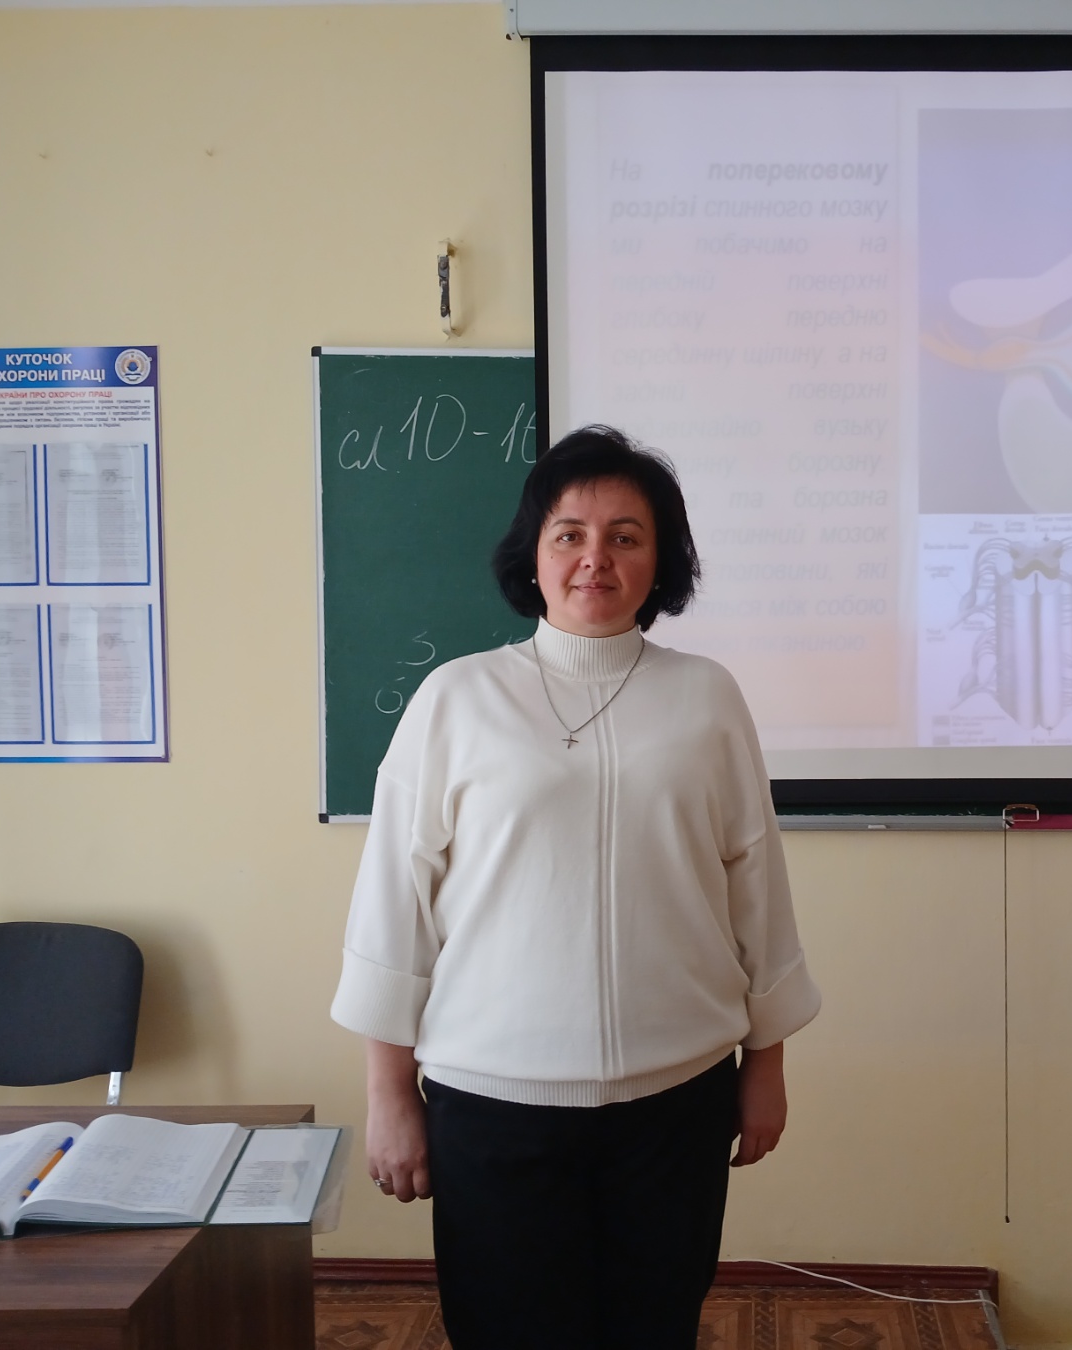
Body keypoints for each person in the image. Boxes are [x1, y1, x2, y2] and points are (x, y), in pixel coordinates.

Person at [329, 425, 820, 1350]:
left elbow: (757, 887)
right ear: (535, 552)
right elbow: (395, 904)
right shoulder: (456, 698)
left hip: (677, 1099)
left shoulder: (707, 697)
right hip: (493, 1104)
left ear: (660, 561)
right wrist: (389, 1092)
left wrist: (768, 1066)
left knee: (654, 1328)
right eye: (571, 534)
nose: (597, 558)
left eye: (626, 536)